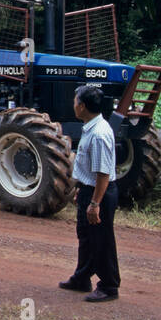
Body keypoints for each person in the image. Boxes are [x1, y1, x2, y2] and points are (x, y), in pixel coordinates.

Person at [59, 83, 121, 302]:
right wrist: (81, 191)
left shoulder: (99, 134)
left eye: (75, 101)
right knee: (85, 236)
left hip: (100, 193)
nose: (73, 105)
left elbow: (103, 174)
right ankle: (82, 277)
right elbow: (88, 169)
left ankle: (109, 286)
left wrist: (95, 204)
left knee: (101, 239)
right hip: (89, 190)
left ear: (82, 106)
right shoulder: (91, 127)